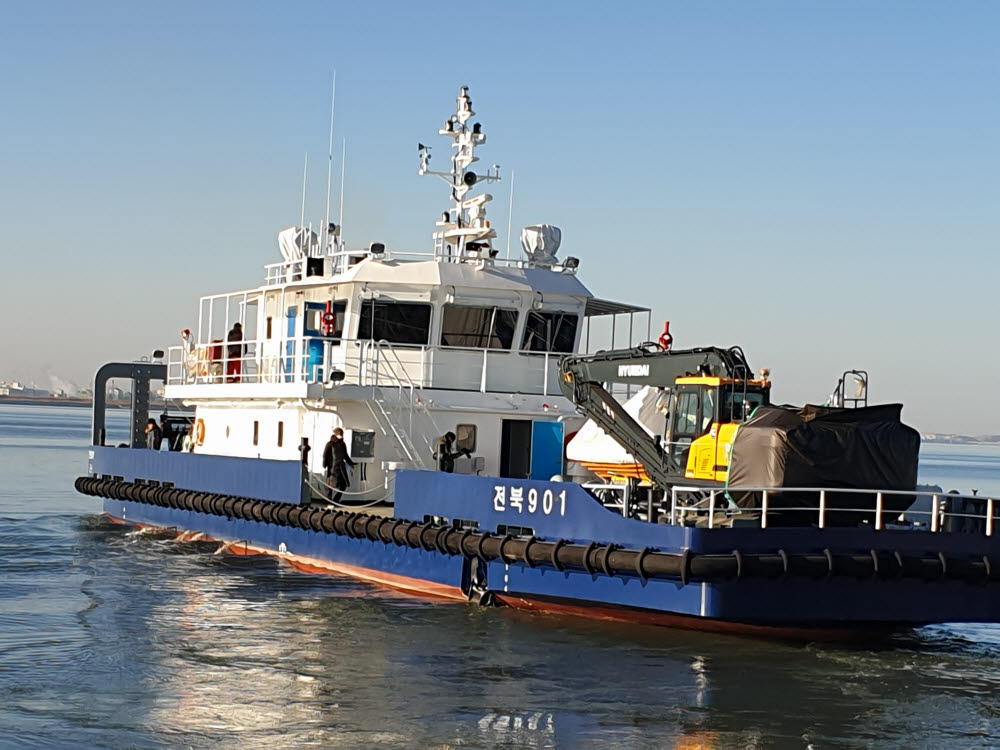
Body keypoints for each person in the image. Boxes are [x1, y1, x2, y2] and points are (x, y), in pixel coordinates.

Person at [322, 428, 355, 503]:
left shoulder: (342, 444)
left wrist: (351, 463)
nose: (341, 435)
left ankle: (336, 500)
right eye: (340, 433)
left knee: (343, 485)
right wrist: (324, 464)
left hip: (341, 467)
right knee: (330, 485)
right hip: (332, 467)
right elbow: (325, 455)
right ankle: (329, 501)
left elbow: (345, 455)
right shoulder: (330, 444)